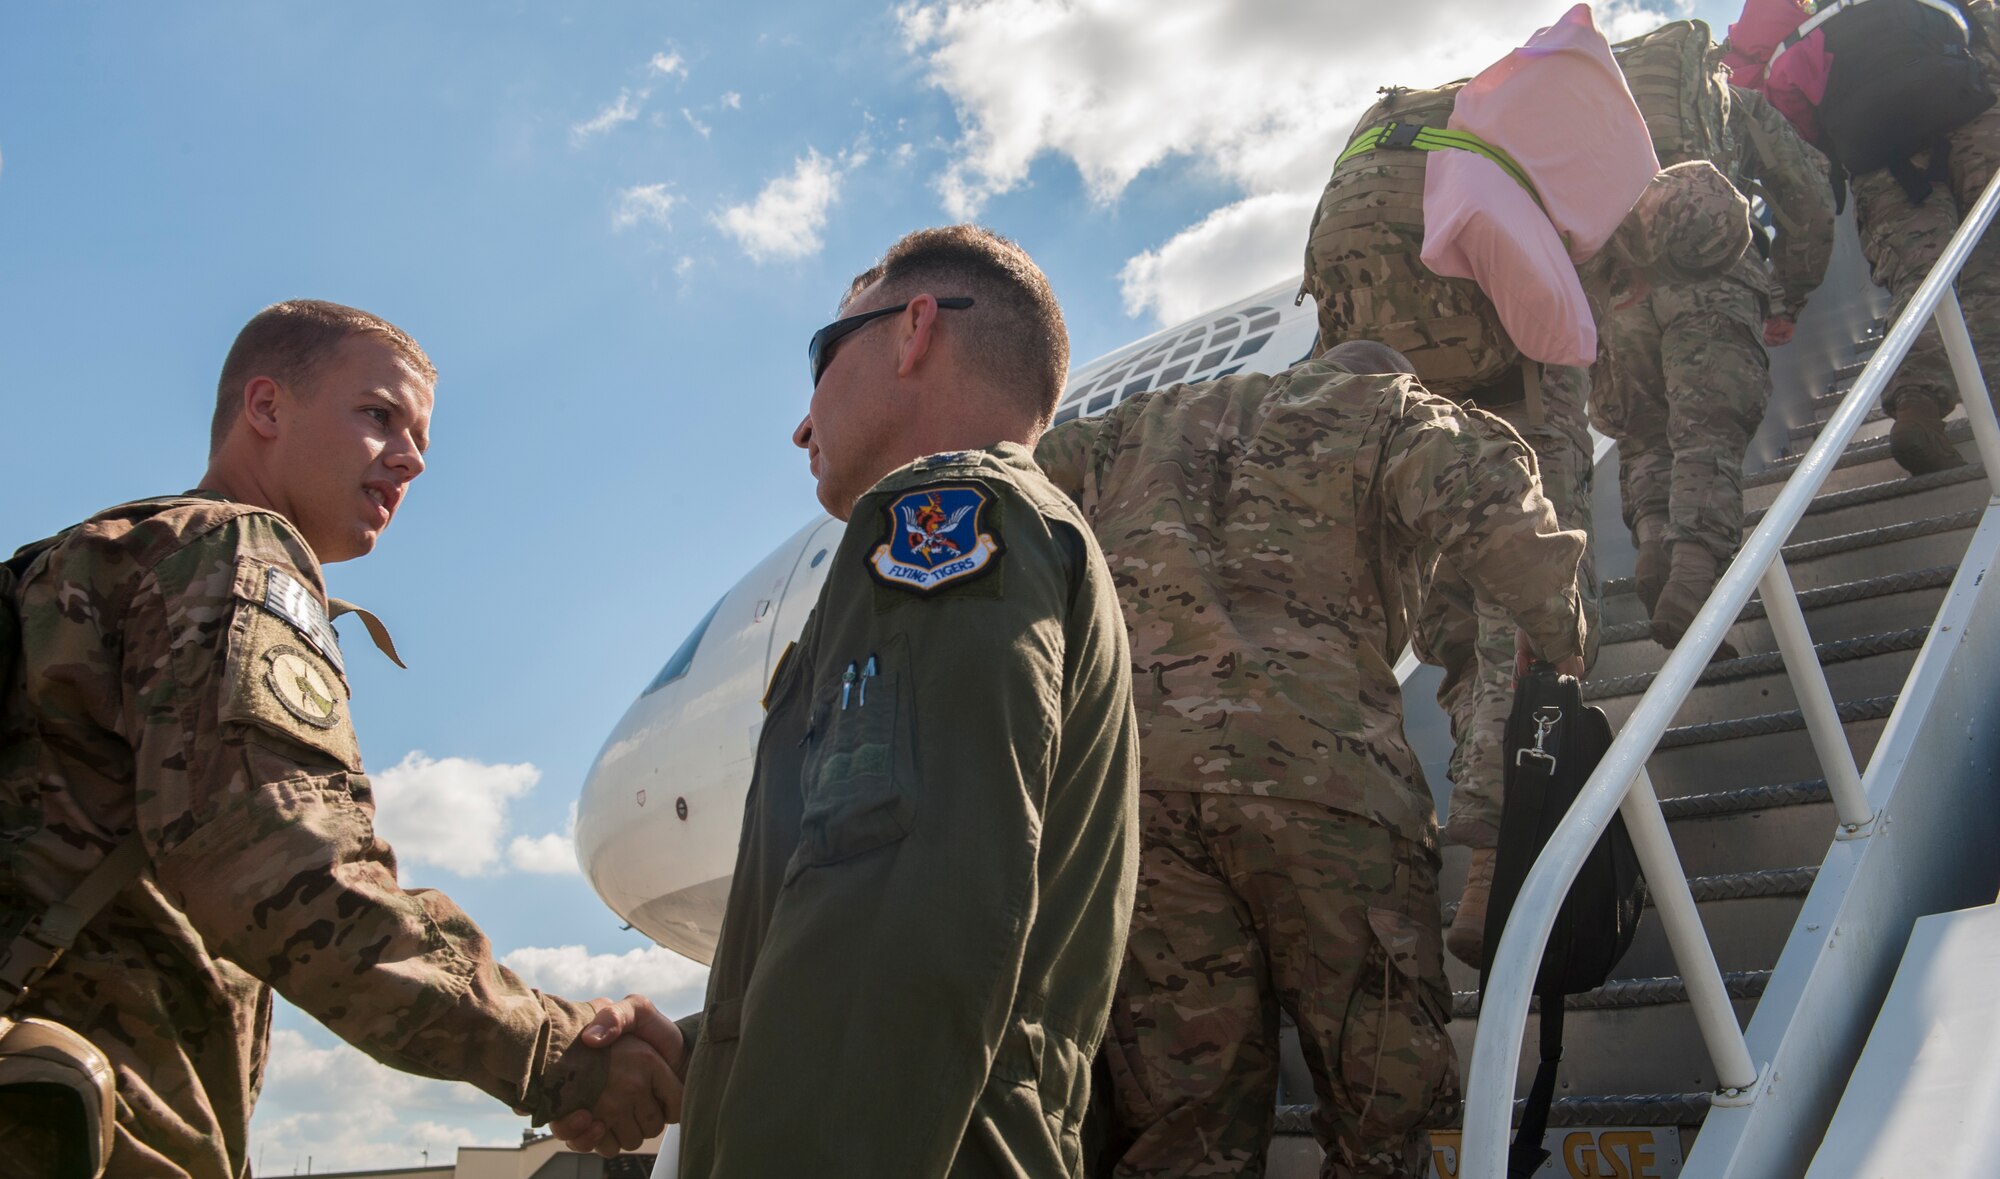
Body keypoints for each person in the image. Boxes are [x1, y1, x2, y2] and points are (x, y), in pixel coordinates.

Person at [0, 300, 682, 1176]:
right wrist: (556, 1048)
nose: (410, 458)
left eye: (421, 441)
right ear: (266, 408)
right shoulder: (232, 552)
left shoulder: (88, 560)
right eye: (378, 416)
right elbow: (286, 872)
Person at [560, 225, 1140, 1177]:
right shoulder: (1031, 546)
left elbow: (895, 919)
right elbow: (932, 928)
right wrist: (695, 1055)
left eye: (822, 355)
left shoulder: (946, 514)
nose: (801, 420)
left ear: (914, 332)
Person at [1034, 340, 1590, 1178]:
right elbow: (1487, 505)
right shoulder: (1388, 407)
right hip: (1324, 783)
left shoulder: (1133, 427)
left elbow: (1005, 489)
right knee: (1381, 1100)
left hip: (1136, 795)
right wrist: (1563, 637)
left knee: (1181, 1118)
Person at [1592, 82, 1834, 651]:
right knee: (1708, 433)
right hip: (1710, 266)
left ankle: (1655, 555)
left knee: (1644, 433)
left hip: (1619, 284)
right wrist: (1791, 294)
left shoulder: (1608, 107)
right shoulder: (1725, 97)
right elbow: (1808, 198)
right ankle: (1695, 581)